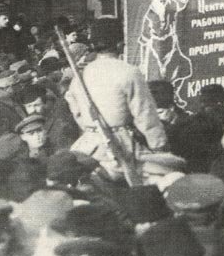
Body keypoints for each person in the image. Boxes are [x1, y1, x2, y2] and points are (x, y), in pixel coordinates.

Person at [65, 17, 167, 181]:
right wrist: (159, 147)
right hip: (119, 146)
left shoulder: (80, 75)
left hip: (87, 145)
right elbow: (146, 116)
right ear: (120, 44)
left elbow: (75, 109)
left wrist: (88, 126)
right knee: (169, 175)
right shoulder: (129, 72)